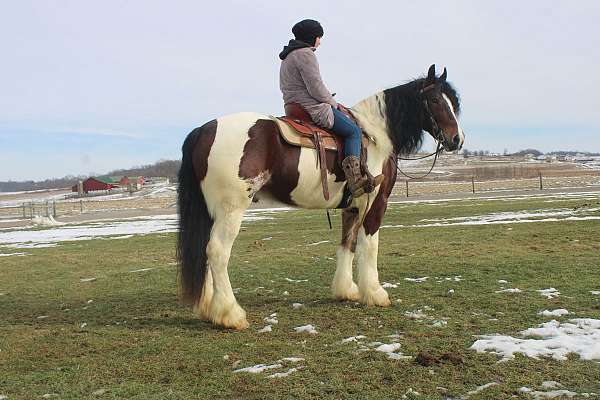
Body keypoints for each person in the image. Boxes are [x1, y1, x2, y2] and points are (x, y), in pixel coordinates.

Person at [279, 19, 382, 198]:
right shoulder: (305, 54)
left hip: (293, 107)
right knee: (354, 131)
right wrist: (333, 103)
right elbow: (316, 88)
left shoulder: (288, 57)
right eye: (319, 37)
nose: (320, 41)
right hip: (312, 108)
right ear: (312, 37)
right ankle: (355, 180)